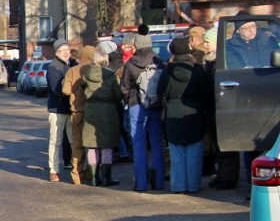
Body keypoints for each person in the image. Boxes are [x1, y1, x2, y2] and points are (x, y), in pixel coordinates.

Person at [159, 37, 210, 194]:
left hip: (172, 113)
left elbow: (160, 93)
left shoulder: (166, 72)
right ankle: (193, 185)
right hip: (194, 112)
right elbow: (205, 93)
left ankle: (179, 186)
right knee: (195, 151)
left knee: (177, 152)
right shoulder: (198, 70)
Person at [121, 33, 165, 192]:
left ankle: (141, 183)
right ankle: (159, 182)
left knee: (138, 145)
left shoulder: (130, 63)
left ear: (137, 45)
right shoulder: (159, 61)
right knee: (157, 144)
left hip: (136, 106)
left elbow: (124, 88)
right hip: (156, 106)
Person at [81, 51, 123, 186]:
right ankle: (106, 178)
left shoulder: (86, 74)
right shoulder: (111, 75)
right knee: (106, 144)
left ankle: (93, 178)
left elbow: (82, 90)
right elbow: (118, 94)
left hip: (91, 109)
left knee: (91, 144)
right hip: (108, 110)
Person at [62, 45, 95, 185]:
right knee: (93, 145)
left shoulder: (72, 70)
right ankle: (93, 173)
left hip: (76, 110)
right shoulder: (96, 70)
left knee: (77, 144)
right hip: (93, 111)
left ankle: (77, 174)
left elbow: (65, 91)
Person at [46, 39, 75, 182]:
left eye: (68, 50)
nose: (66, 53)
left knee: (74, 141)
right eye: (63, 51)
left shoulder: (73, 64)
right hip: (57, 109)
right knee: (55, 141)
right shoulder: (53, 68)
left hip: (72, 109)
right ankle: (54, 170)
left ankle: (78, 168)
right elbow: (56, 89)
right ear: (57, 52)